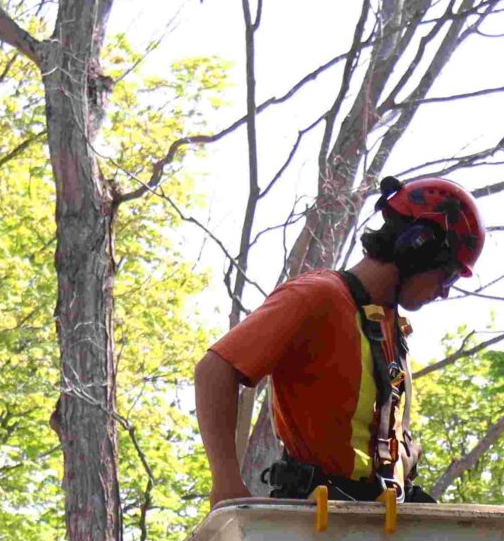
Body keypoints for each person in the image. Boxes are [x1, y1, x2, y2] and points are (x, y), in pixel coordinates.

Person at [195, 175, 485, 506]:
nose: (445, 290)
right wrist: (226, 481)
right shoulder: (319, 297)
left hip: (370, 523)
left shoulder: (389, 328)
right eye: (447, 275)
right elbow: (214, 369)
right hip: (314, 522)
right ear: (417, 246)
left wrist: (402, 456)